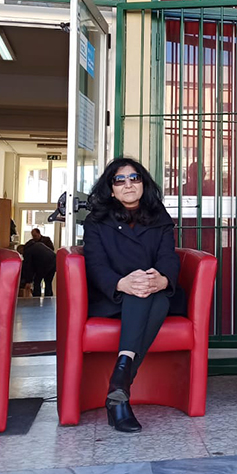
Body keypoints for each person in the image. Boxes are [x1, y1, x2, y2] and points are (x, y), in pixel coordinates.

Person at [83, 157, 186, 433]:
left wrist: (162, 279)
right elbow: (95, 264)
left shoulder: (159, 216)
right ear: (111, 188)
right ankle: (120, 388)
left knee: (157, 295)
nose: (128, 184)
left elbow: (168, 257)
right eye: (120, 180)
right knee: (146, 297)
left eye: (134, 178)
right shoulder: (97, 220)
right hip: (113, 296)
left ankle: (119, 386)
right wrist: (121, 284)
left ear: (144, 184)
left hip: (153, 290)